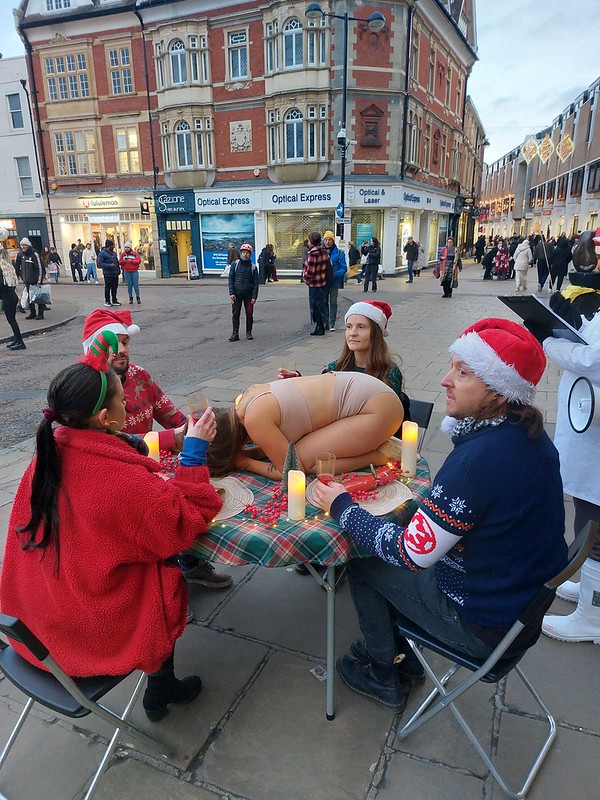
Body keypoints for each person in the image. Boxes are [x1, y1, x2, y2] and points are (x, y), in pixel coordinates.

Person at [312, 318, 567, 709]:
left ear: (500, 392)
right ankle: (403, 657)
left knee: (361, 560)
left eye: (463, 372)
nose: (446, 380)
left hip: (483, 623)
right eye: (451, 366)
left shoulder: (476, 461)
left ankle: (382, 671)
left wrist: (340, 505)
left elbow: (410, 554)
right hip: (518, 605)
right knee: (385, 541)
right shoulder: (527, 434)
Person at [0, 342, 223, 722]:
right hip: (87, 631)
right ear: (105, 417)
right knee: (164, 565)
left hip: (37, 621)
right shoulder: (120, 481)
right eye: (123, 400)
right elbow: (184, 523)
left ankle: (161, 686)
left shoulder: (49, 453)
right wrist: (195, 453)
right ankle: (161, 685)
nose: (129, 407)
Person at [81, 308, 233, 591]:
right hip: (127, 476)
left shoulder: (140, 376)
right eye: (114, 344)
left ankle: (189, 563)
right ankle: (167, 579)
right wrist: (177, 439)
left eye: (126, 342)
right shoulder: (89, 393)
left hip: (153, 464)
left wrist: (202, 425)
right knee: (173, 514)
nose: (122, 350)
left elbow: (172, 417)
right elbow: (113, 442)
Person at [526, 286, 600, 644]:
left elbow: (592, 359)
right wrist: (566, 324)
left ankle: (592, 616)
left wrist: (548, 340)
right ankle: (588, 587)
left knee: (594, 525)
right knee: (587, 518)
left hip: (596, 442)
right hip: (590, 432)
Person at [207, 371, 404, 480]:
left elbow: (293, 471)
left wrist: (245, 463)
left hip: (378, 410)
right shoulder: (245, 398)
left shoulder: (254, 420)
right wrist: (251, 454)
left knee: (308, 461)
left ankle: (380, 455)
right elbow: (278, 444)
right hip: (369, 392)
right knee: (299, 451)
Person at [228, 243, 259, 342]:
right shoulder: (235, 264)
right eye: (243, 252)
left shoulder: (253, 267)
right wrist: (231, 293)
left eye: (247, 253)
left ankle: (248, 332)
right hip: (236, 294)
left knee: (249, 314)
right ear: (241, 253)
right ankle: (235, 333)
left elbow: (255, 283)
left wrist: (254, 296)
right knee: (235, 314)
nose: (245, 255)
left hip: (248, 295)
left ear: (250, 254)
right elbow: (231, 279)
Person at [302, 230, 330, 336]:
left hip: (314, 283)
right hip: (322, 281)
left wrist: (305, 279)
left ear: (312, 241)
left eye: (309, 240)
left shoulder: (313, 253)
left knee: (315, 306)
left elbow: (310, 271)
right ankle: (321, 326)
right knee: (321, 304)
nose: (308, 242)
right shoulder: (323, 251)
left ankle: (319, 327)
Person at [0, 244, 25, 350]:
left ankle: (20, 341)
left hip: (7, 298)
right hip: (12, 296)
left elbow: (1, 284)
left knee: (11, 320)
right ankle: (16, 339)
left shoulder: (1, 267)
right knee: (12, 319)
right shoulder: (8, 266)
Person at [323, 230, 347, 331]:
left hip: (334, 282)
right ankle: (325, 322)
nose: (327, 242)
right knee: (323, 302)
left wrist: (334, 275)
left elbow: (343, 268)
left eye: (330, 240)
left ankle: (332, 322)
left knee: (333, 302)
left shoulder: (339, 253)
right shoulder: (320, 252)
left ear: (333, 241)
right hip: (323, 282)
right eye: (326, 240)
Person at [20, 237, 45, 321]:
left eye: (24, 245)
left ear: (28, 245)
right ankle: (32, 313)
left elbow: (40, 267)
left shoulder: (34, 254)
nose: (23, 247)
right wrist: (22, 277)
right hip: (27, 281)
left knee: (38, 297)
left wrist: (39, 281)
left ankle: (40, 313)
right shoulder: (22, 255)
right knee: (30, 298)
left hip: (35, 281)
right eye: (22, 245)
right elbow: (21, 267)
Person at [98, 239, 121, 306]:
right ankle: (107, 301)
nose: (113, 247)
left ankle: (114, 300)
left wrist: (118, 270)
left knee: (115, 287)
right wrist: (109, 265)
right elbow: (99, 263)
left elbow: (116, 262)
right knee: (108, 287)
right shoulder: (102, 253)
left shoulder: (114, 253)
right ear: (108, 246)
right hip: (108, 273)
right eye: (112, 246)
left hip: (115, 273)